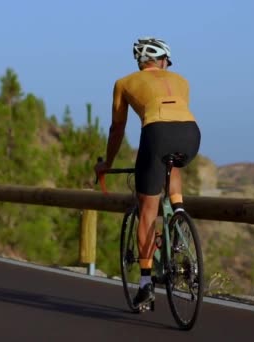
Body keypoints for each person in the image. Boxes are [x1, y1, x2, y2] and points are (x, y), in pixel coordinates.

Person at [95, 37, 201, 309]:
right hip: (191, 134)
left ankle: (145, 284)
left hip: (156, 133)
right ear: (164, 60)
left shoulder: (124, 83)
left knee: (147, 210)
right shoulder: (183, 80)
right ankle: (178, 211)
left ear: (140, 62)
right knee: (172, 162)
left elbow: (117, 129)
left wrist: (107, 162)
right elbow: (176, 115)